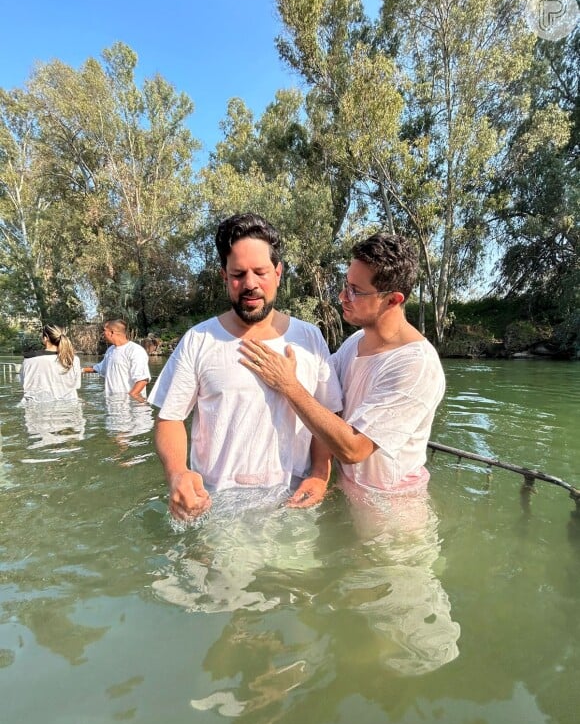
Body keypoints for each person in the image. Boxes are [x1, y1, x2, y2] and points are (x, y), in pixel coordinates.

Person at [148, 212, 343, 521]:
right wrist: (177, 473)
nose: (250, 284)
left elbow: (327, 414)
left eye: (260, 271)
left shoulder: (310, 338)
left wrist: (320, 473)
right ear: (225, 277)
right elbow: (170, 418)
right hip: (215, 506)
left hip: (294, 502)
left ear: (278, 273)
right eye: (238, 274)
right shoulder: (198, 340)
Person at [240, 232, 446, 493]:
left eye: (355, 291)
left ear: (393, 300)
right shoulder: (356, 341)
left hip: (391, 505)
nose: (341, 296)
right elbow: (325, 398)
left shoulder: (416, 366)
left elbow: (354, 447)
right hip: (347, 489)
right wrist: (319, 470)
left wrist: (288, 385)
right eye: (346, 284)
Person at [83, 319, 151, 401]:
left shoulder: (135, 350)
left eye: (104, 331)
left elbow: (142, 380)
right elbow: (100, 368)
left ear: (112, 332)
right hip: (112, 406)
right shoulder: (110, 350)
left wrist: (131, 397)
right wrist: (80, 370)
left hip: (130, 409)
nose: (103, 334)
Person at [19, 325, 82, 403]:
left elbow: (24, 384)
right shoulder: (73, 359)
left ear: (45, 338)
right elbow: (77, 385)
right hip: (69, 408)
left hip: (36, 409)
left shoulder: (29, 360)